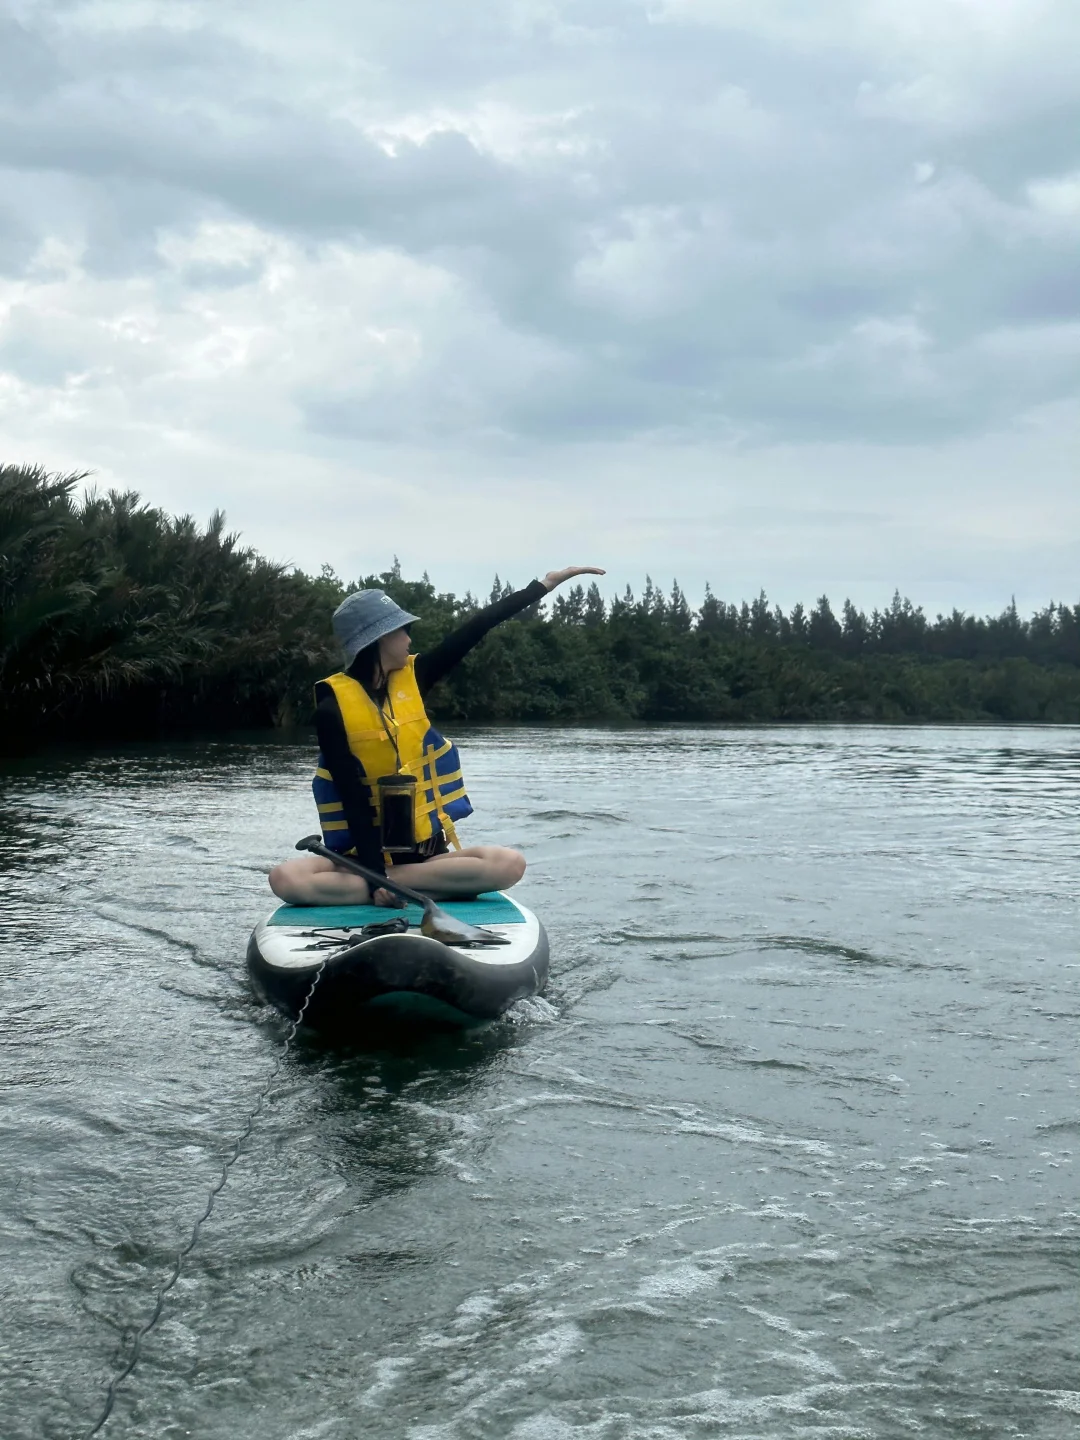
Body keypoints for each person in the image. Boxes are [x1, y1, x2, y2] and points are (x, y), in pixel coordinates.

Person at [269, 566, 605, 907]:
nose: (409, 639)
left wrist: (543, 586)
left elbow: (477, 627)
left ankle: (395, 886)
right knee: (285, 879)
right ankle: (422, 888)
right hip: (361, 860)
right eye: (403, 631)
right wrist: (374, 876)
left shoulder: (416, 676)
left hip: (426, 858)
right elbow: (352, 799)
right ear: (380, 638)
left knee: (509, 864)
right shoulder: (331, 710)